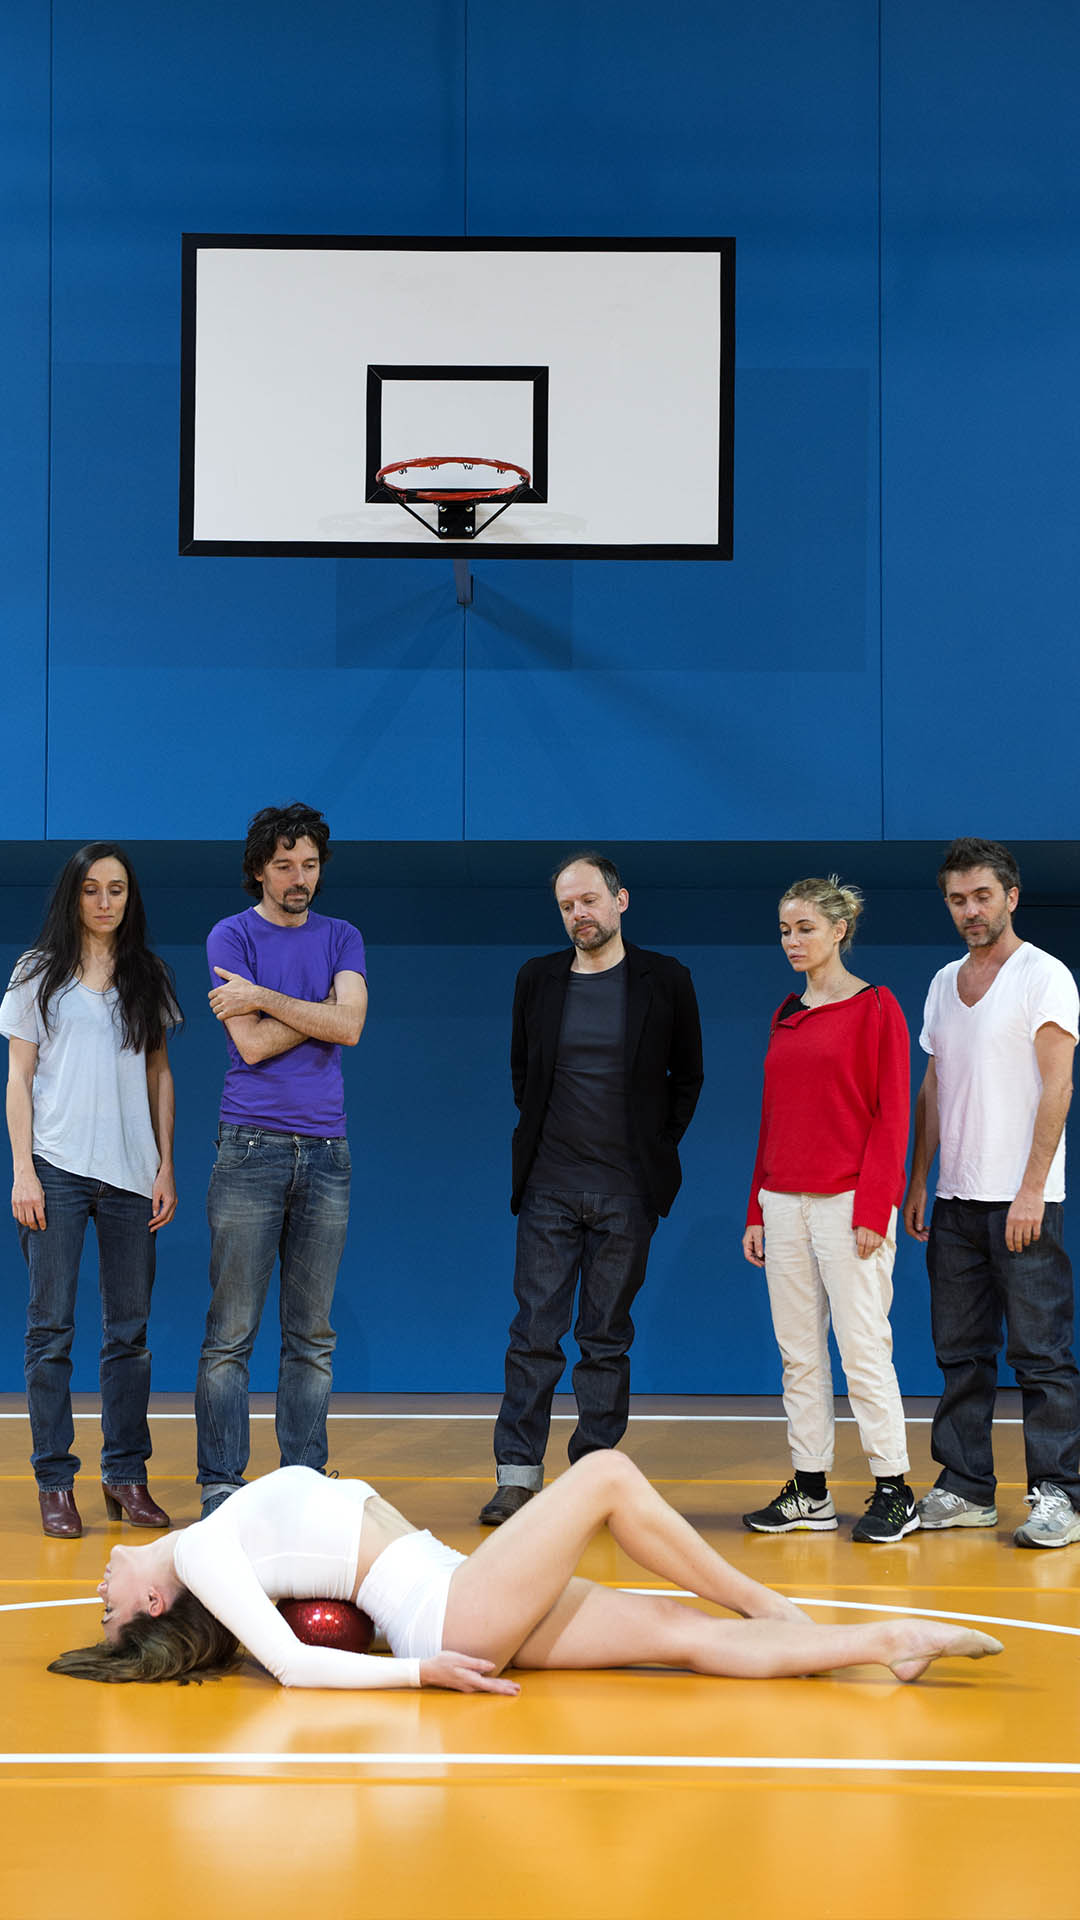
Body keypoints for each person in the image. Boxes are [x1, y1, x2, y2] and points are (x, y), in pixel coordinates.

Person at [50, 1453, 1002, 1688]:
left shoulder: (219, 1542)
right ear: (155, 1601)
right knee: (606, 1475)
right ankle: (769, 1601)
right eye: (111, 1617)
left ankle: (887, 1644)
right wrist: (420, 1672)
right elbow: (296, 1665)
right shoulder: (203, 1555)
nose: (101, 1596)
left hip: (458, 1592)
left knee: (678, 1633)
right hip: (449, 1612)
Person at [479, 853, 703, 1526]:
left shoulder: (666, 979)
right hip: (548, 1187)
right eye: (567, 905)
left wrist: (653, 1149)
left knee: (605, 1340)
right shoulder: (537, 979)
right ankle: (517, 1478)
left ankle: (591, 1481)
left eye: (589, 901)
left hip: (627, 1192)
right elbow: (523, 1075)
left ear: (620, 901)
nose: (579, 913)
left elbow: (687, 1078)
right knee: (533, 1336)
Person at [903, 837, 1080, 1549]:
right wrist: (920, 1178)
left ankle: (1059, 1493)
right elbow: (935, 1085)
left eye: (982, 896)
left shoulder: (1044, 975)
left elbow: (1059, 1087)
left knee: (1041, 1356)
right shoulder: (944, 982)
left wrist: (1031, 1190)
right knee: (960, 1352)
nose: (970, 910)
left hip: (1023, 1202)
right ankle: (967, 1488)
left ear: (1011, 896)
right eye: (957, 899)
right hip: (954, 1201)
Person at [0, 843, 181, 1538]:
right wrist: (23, 1170)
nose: (105, 902)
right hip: (57, 1169)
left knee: (129, 1337)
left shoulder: (147, 975)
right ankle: (55, 1482)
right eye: (92, 889)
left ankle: (125, 1475)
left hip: (132, 1176)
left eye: (118, 890)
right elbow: (18, 1078)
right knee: (50, 1332)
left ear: (130, 898)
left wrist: (165, 1165)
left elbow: (159, 1074)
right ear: (72, 896)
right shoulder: (36, 973)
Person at [195, 802, 368, 1518]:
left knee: (312, 1337)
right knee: (230, 1333)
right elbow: (253, 1044)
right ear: (259, 871)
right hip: (250, 1149)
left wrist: (267, 998)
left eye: (310, 865)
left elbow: (350, 1026)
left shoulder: (343, 935)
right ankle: (221, 1486)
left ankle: (303, 1484)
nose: (300, 878)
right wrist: (317, 1008)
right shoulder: (230, 934)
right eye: (285, 865)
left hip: (328, 1152)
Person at [741, 877, 914, 1543]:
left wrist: (875, 1205)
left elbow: (892, 1115)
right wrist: (756, 1207)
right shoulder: (786, 1012)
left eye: (805, 928)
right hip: (782, 1203)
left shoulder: (877, 1007)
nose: (792, 941)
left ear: (839, 930)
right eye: (785, 930)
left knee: (864, 1348)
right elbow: (772, 1118)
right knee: (799, 1355)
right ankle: (810, 1491)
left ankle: (894, 1489)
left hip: (849, 1204)